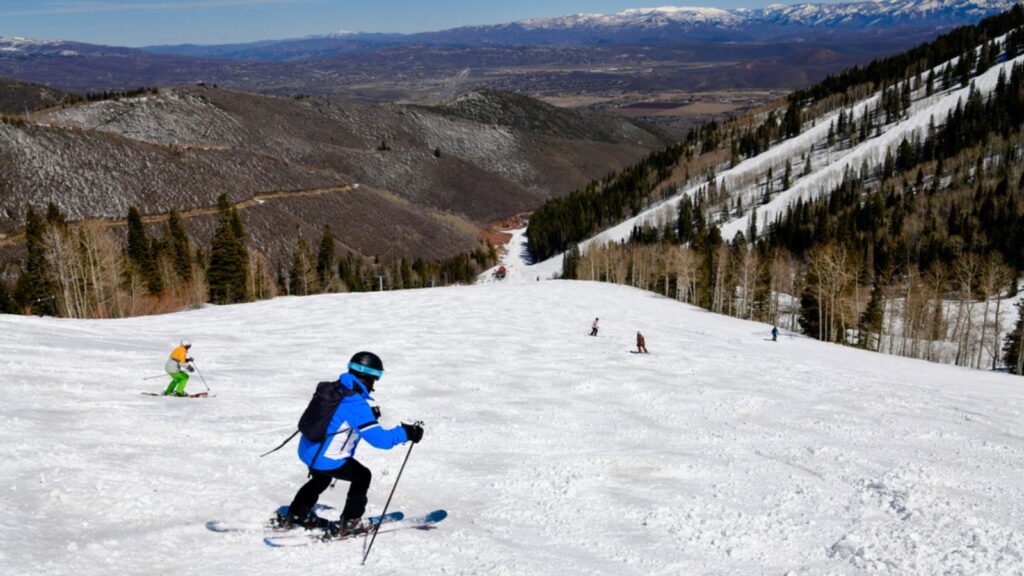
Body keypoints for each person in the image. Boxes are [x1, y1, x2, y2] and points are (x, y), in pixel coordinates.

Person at [281, 351, 424, 535]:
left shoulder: (336, 388)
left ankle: (296, 515)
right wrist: (407, 433)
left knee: (321, 478)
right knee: (362, 476)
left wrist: (367, 416)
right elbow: (381, 441)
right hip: (325, 457)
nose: (375, 382)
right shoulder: (355, 403)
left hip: (308, 450)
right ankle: (350, 522)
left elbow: (337, 417)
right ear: (369, 377)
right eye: (376, 377)